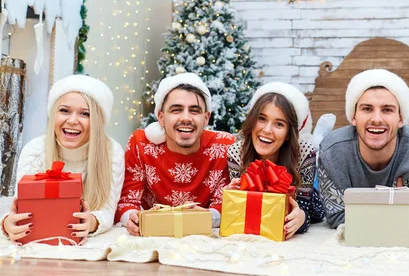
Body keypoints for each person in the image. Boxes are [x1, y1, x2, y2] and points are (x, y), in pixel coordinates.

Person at [1, 75, 124, 244]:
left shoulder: (112, 152)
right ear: (53, 114)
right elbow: (18, 206)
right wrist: (8, 223)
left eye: (85, 114)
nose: (72, 120)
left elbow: (107, 210)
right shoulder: (35, 150)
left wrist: (92, 222)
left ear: (97, 121)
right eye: (64, 110)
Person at [318, 69, 409, 230]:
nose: (376, 119)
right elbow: (336, 217)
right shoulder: (332, 150)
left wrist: (360, 209)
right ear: (353, 116)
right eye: (367, 109)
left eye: (387, 110)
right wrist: (396, 205)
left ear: (401, 118)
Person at [116, 73, 235, 235]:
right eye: (176, 110)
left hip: (202, 238)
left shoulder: (224, 146)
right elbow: (127, 201)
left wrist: (206, 217)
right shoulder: (140, 143)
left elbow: (226, 206)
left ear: (206, 118)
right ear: (161, 117)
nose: (186, 118)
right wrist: (131, 218)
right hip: (152, 236)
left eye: (194, 110)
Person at [226, 82, 325, 239]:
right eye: (262, 119)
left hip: (311, 208)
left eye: (279, 124)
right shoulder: (237, 152)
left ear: (288, 133)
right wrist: (233, 195)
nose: (267, 130)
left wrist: (302, 218)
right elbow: (243, 214)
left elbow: (305, 211)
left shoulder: (305, 152)